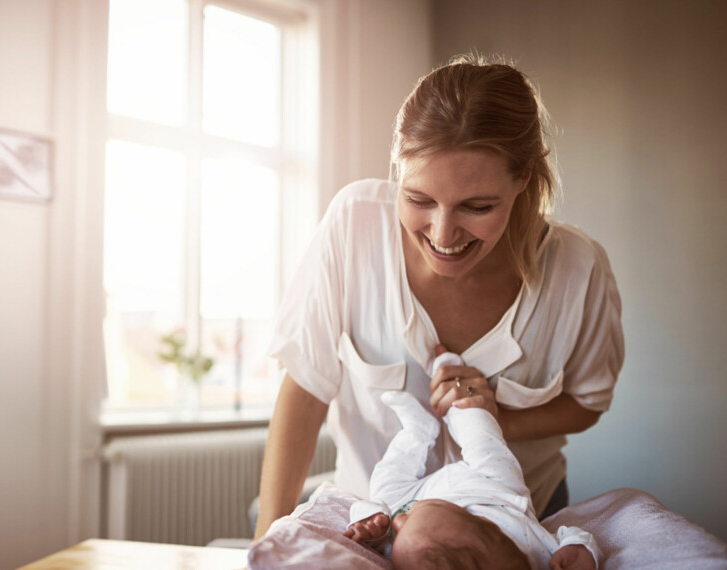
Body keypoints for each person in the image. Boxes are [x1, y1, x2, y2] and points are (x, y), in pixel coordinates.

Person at [254, 53, 624, 539]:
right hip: (372, 524)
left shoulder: (579, 269)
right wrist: (266, 544)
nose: (443, 233)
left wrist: (494, 419)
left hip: (515, 532)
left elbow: (588, 400)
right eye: (418, 200)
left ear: (524, 181)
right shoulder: (353, 224)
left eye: (477, 206)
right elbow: (304, 391)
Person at [343, 352, 600, 569]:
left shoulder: (407, 547)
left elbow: (374, 523)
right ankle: (456, 393)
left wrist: (369, 524)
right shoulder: (535, 548)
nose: (400, 521)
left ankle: (416, 432)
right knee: (483, 439)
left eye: (398, 535)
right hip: (493, 489)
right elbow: (571, 537)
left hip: (419, 494)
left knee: (382, 490)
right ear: (480, 521)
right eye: (407, 520)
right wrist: (579, 549)